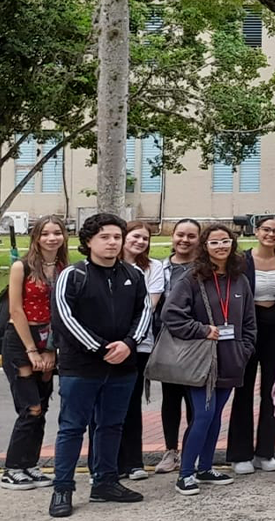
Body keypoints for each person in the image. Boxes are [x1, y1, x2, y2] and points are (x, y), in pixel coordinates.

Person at [49, 212, 151, 517]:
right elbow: (64, 318)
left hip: (123, 366)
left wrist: (129, 344)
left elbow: (145, 312)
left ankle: (105, 482)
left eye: (117, 237)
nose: (112, 242)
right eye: (104, 237)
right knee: (72, 427)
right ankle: (62, 489)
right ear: (89, 241)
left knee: (111, 425)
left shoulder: (133, 275)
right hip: (81, 367)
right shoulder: (73, 274)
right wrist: (101, 347)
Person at [161, 223, 257, 498]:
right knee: (202, 414)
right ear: (204, 246)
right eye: (214, 242)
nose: (220, 247)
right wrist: (201, 330)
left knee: (215, 415)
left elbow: (249, 320)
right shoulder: (192, 278)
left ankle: (205, 467)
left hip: (231, 358)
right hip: (202, 360)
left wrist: (245, 349)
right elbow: (172, 314)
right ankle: (185, 473)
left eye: (225, 241)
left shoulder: (240, 279)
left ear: (233, 243)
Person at [2, 215, 68, 491]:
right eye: (45, 233)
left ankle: (30, 464)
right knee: (30, 408)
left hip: (49, 340)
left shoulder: (66, 269)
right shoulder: (23, 267)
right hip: (21, 340)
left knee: (42, 408)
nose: (51, 238)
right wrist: (31, 349)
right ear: (36, 237)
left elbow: (62, 312)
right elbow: (15, 310)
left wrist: (52, 350)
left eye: (57, 233)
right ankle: (12, 468)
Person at [227, 215, 275, 475]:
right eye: (266, 229)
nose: (271, 234)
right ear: (256, 231)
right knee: (242, 391)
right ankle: (239, 454)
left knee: (272, 391)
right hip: (247, 328)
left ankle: (265, 451)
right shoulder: (242, 259)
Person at [151, 218, 199, 474]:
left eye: (191, 236)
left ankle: (194, 449)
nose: (185, 240)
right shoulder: (161, 268)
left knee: (195, 399)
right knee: (170, 398)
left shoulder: (204, 269)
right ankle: (171, 451)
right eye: (180, 235)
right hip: (167, 341)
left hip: (196, 342)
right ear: (173, 236)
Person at [111, 222, 158, 481]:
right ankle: (108, 464)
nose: (140, 242)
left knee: (131, 403)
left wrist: (128, 339)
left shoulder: (152, 268)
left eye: (145, 238)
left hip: (138, 344)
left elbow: (148, 306)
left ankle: (133, 461)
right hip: (105, 345)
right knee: (106, 407)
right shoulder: (102, 267)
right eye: (135, 236)